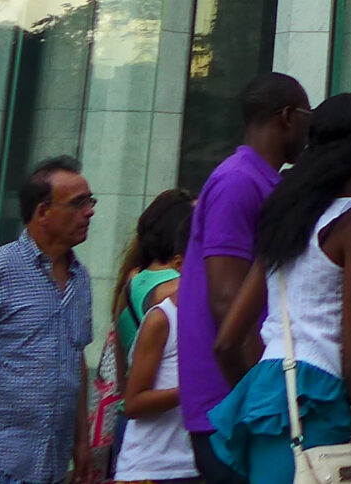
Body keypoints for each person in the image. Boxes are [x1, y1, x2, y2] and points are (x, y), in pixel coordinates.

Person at [209, 92, 351, 484]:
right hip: (318, 398)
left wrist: (262, 394)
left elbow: (226, 342)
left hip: (268, 395)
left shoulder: (289, 220)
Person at [183, 74, 311, 484]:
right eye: (307, 116)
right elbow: (227, 298)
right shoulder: (238, 181)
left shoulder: (263, 180)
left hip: (245, 401)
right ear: (287, 117)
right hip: (230, 405)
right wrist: (262, 392)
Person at [0, 156, 96, 484]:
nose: (89, 212)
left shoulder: (80, 278)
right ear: (43, 212)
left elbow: (76, 360)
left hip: (54, 463)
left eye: (90, 202)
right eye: (78, 203)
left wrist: (82, 442)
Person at [111, 190, 196, 484]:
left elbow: (122, 369)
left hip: (135, 435)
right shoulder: (176, 291)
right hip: (164, 447)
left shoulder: (131, 280)